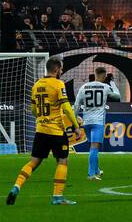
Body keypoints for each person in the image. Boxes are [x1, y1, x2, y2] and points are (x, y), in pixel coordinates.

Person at [7, 57, 82, 205]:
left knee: (34, 162)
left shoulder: (36, 85)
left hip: (40, 130)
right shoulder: (58, 84)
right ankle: (57, 197)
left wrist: (43, 118)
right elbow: (66, 107)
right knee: (62, 161)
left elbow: (34, 110)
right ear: (56, 69)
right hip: (56, 131)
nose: (61, 71)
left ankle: (17, 186)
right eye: (61, 69)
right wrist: (76, 126)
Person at [75, 65, 121, 180]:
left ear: (95, 74)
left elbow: (76, 106)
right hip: (98, 122)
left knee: (93, 146)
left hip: (86, 122)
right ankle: (91, 174)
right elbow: (118, 96)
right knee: (94, 147)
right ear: (105, 76)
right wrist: (113, 83)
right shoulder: (105, 87)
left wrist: (74, 122)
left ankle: (96, 170)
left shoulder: (84, 87)